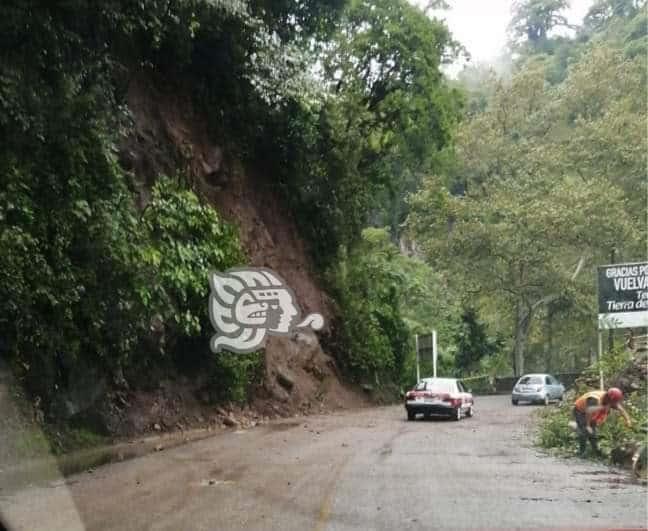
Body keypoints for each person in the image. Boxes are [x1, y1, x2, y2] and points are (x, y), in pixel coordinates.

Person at [572, 387, 632, 456]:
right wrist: (588, 425)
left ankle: (596, 451)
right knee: (584, 430)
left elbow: (621, 410)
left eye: (614, 402)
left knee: (593, 432)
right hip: (580, 411)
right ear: (608, 397)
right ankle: (581, 452)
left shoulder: (611, 400)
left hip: (591, 413)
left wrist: (628, 420)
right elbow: (588, 412)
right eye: (612, 401)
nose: (613, 403)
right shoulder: (594, 399)